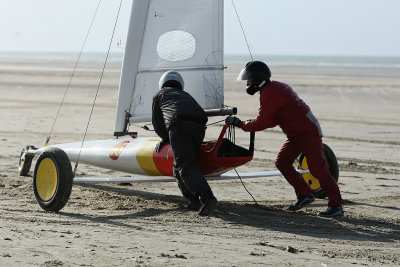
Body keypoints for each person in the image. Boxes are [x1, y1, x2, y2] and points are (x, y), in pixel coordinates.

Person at [225, 61, 344, 217]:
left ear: (257, 80)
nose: (247, 83)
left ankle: (336, 206)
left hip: (308, 133)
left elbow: (262, 122)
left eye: (249, 80)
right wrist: (249, 123)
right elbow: (272, 119)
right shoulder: (273, 89)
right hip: (296, 135)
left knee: (317, 169)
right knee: (282, 162)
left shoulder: (270, 92)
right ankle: (304, 194)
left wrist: (240, 123)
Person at [152, 70, 217, 216]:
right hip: (199, 126)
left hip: (180, 124)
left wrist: (166, 139)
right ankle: (193, 200)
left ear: (161, 84)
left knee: (185, 165)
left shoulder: (159, 95)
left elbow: (157, 124)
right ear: (180, 84)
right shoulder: (186, 95)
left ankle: (207, 198)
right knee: (179, 166)